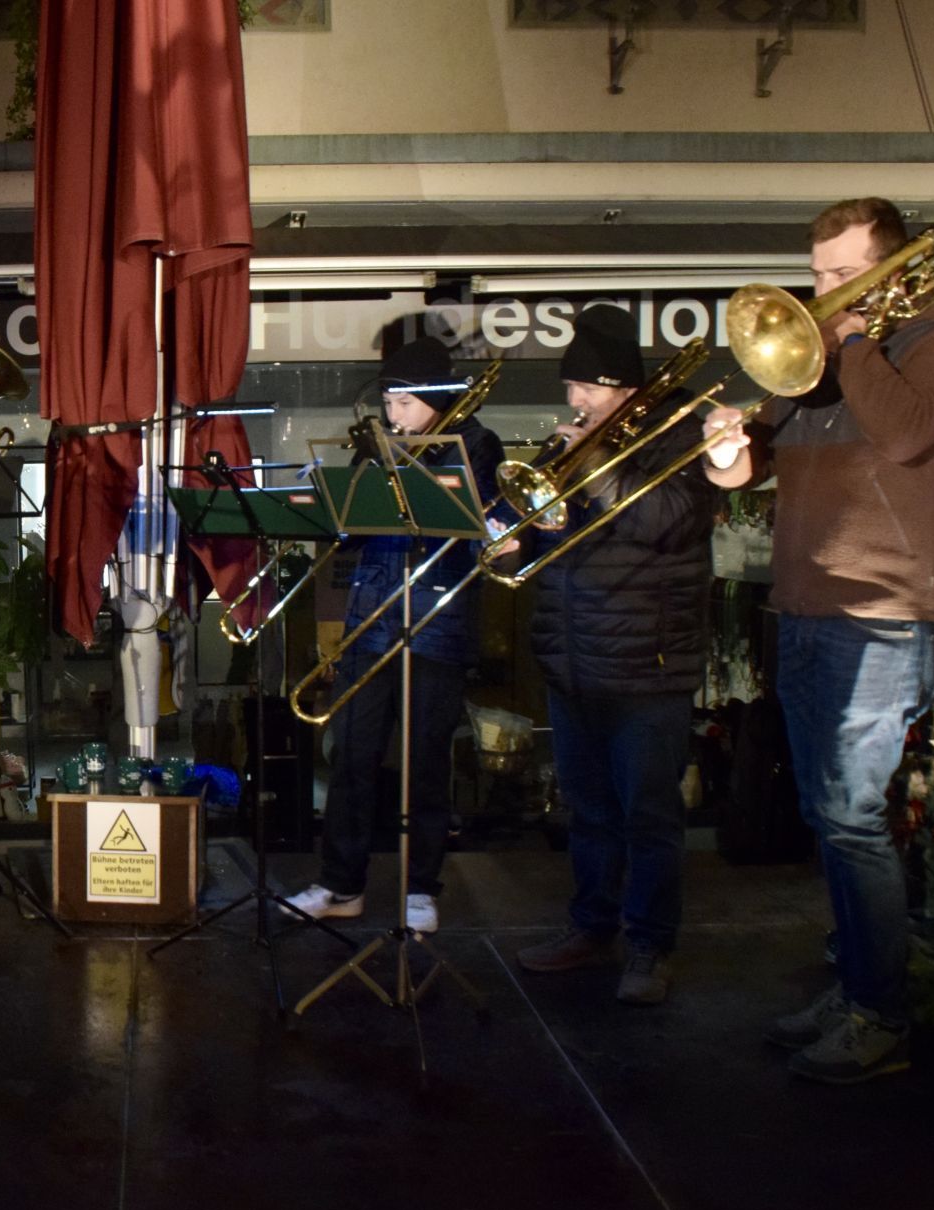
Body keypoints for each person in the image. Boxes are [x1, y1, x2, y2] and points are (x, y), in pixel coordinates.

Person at [702, 198, 934, 1082]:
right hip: (808, 606)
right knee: (830, 813)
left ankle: (880, 1012)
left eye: (837, 273)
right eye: (817, 272)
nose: (819, 290)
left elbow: (904, 435)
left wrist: (855, 341)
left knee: (855, 816)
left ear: (889, 269)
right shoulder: (824, 364)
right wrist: (722, 449)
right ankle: (857, 980)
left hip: (885, 609)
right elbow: (751, 471)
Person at [513, 305, 720, 1006]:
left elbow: (669, 522)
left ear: (622, 388)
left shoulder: (677, 434)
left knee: (651, 818)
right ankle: (591, 925)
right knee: (590, 812)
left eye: (584, 389)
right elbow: (543, 534)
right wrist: (523, 533)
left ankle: (649, 946)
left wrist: (596, 465)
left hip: (646, 664)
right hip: (572, 658)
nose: (572, 402)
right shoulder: (567, 446)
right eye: (570, 388)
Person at [286, 337, 505, 935]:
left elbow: (477, 519)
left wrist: (420, 468)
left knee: (424, 764)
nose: (392, 413)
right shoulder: (379, 447)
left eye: (403, 401)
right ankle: (340, 884)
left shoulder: (477, 444)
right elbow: (352, 535)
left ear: (433, 399)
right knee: (352, 757)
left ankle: (422, 889)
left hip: (436, 623)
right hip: (370, 622)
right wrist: (326, 503)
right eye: (388, 399)